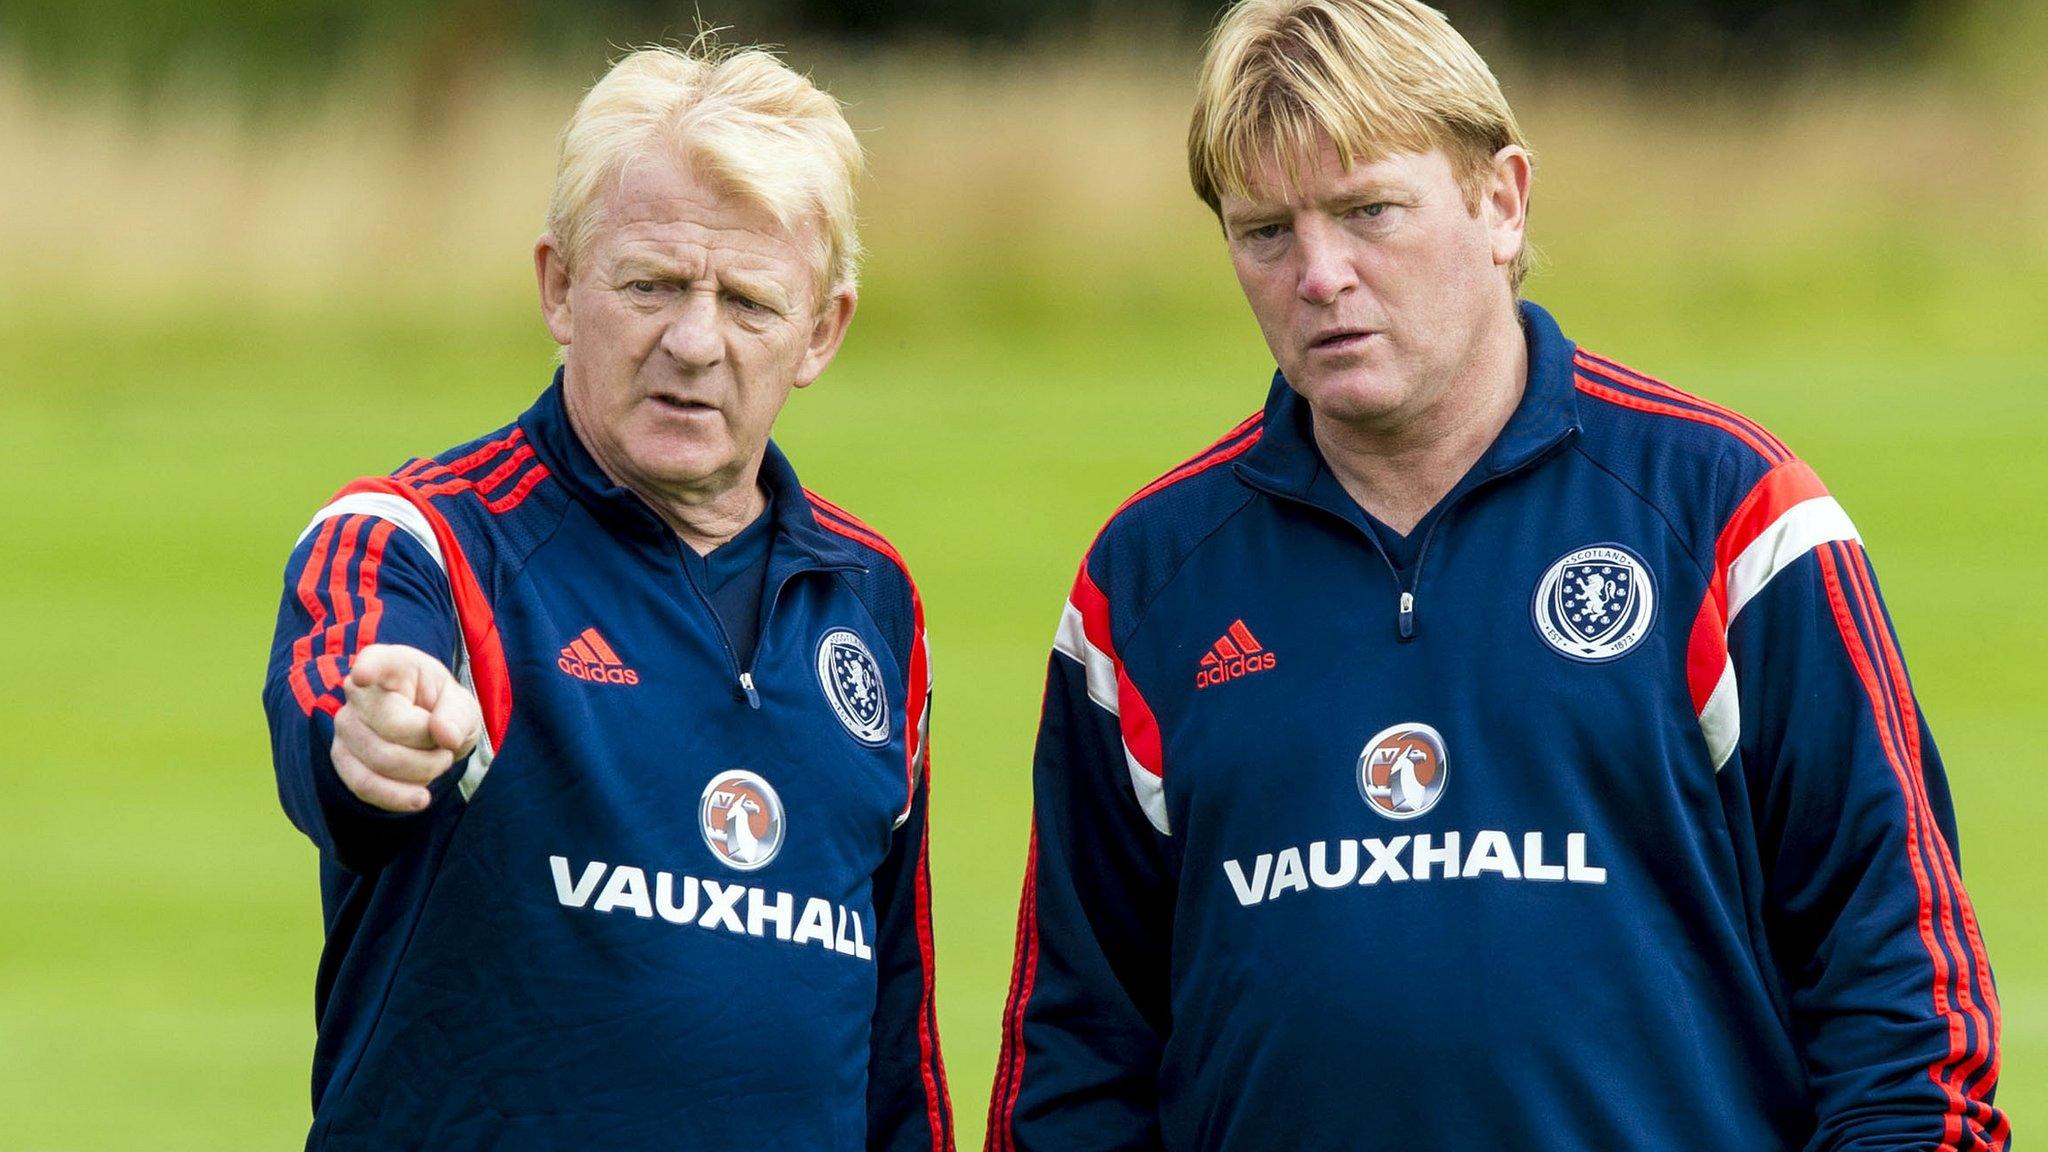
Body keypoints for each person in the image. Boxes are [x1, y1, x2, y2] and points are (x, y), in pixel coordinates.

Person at [984, 2, 2004, 1149]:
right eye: (1264, 231)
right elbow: (1076, 1064)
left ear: (1499, 202)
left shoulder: (1729, 521)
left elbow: (1905, 1014)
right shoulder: (1146, 584)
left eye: (1369, 210)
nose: (1319, 274)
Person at [261, 42, 953, 1151]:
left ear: (821, 332)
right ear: (559, 285)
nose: (693, 340)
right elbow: (336, 725)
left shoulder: (873, 600)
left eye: (748, 301)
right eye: (651, 284)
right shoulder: (421, 543)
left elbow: (892, 1038)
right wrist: (370, 736)